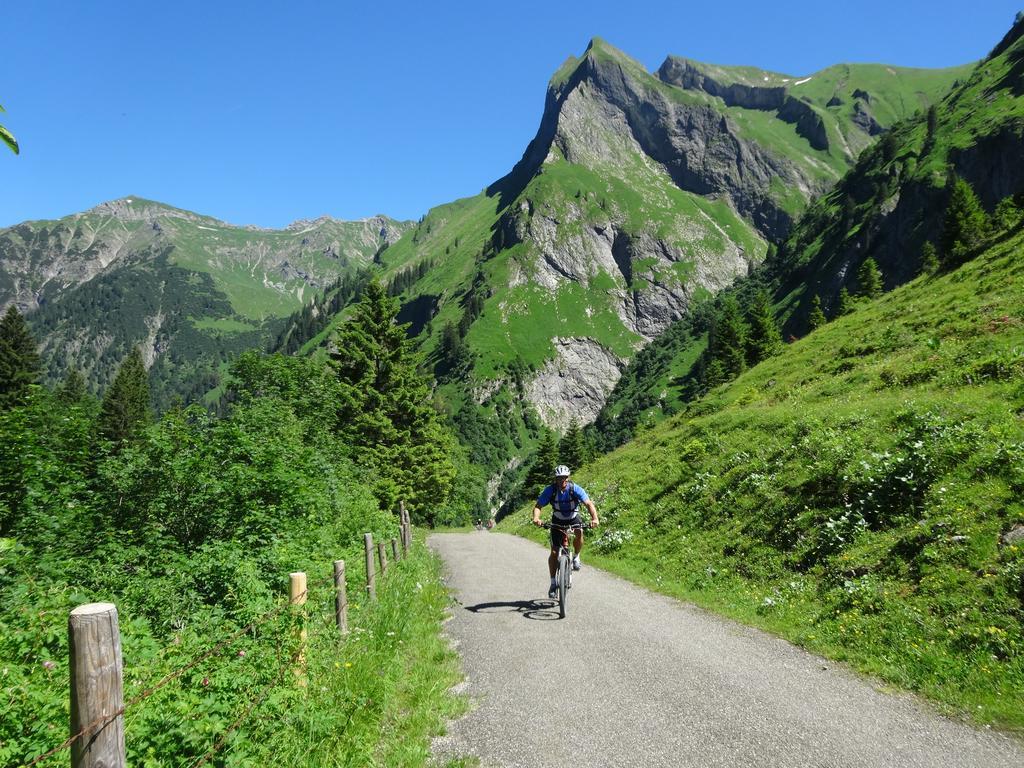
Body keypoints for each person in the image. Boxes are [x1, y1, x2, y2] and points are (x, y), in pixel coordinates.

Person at [532, 464, 599, 598]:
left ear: (568, 478)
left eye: (564, 478)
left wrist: (595, 518)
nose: (562, 481)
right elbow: (538, 505)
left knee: (579, 532)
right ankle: (552, 583)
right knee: (554, 552)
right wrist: (536, 517)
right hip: (557, 520)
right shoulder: (550, 490)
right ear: (555, 479)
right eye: (559, 478)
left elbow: (588, 503)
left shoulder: (575, 489)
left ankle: (576, 556)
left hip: (573, 518)